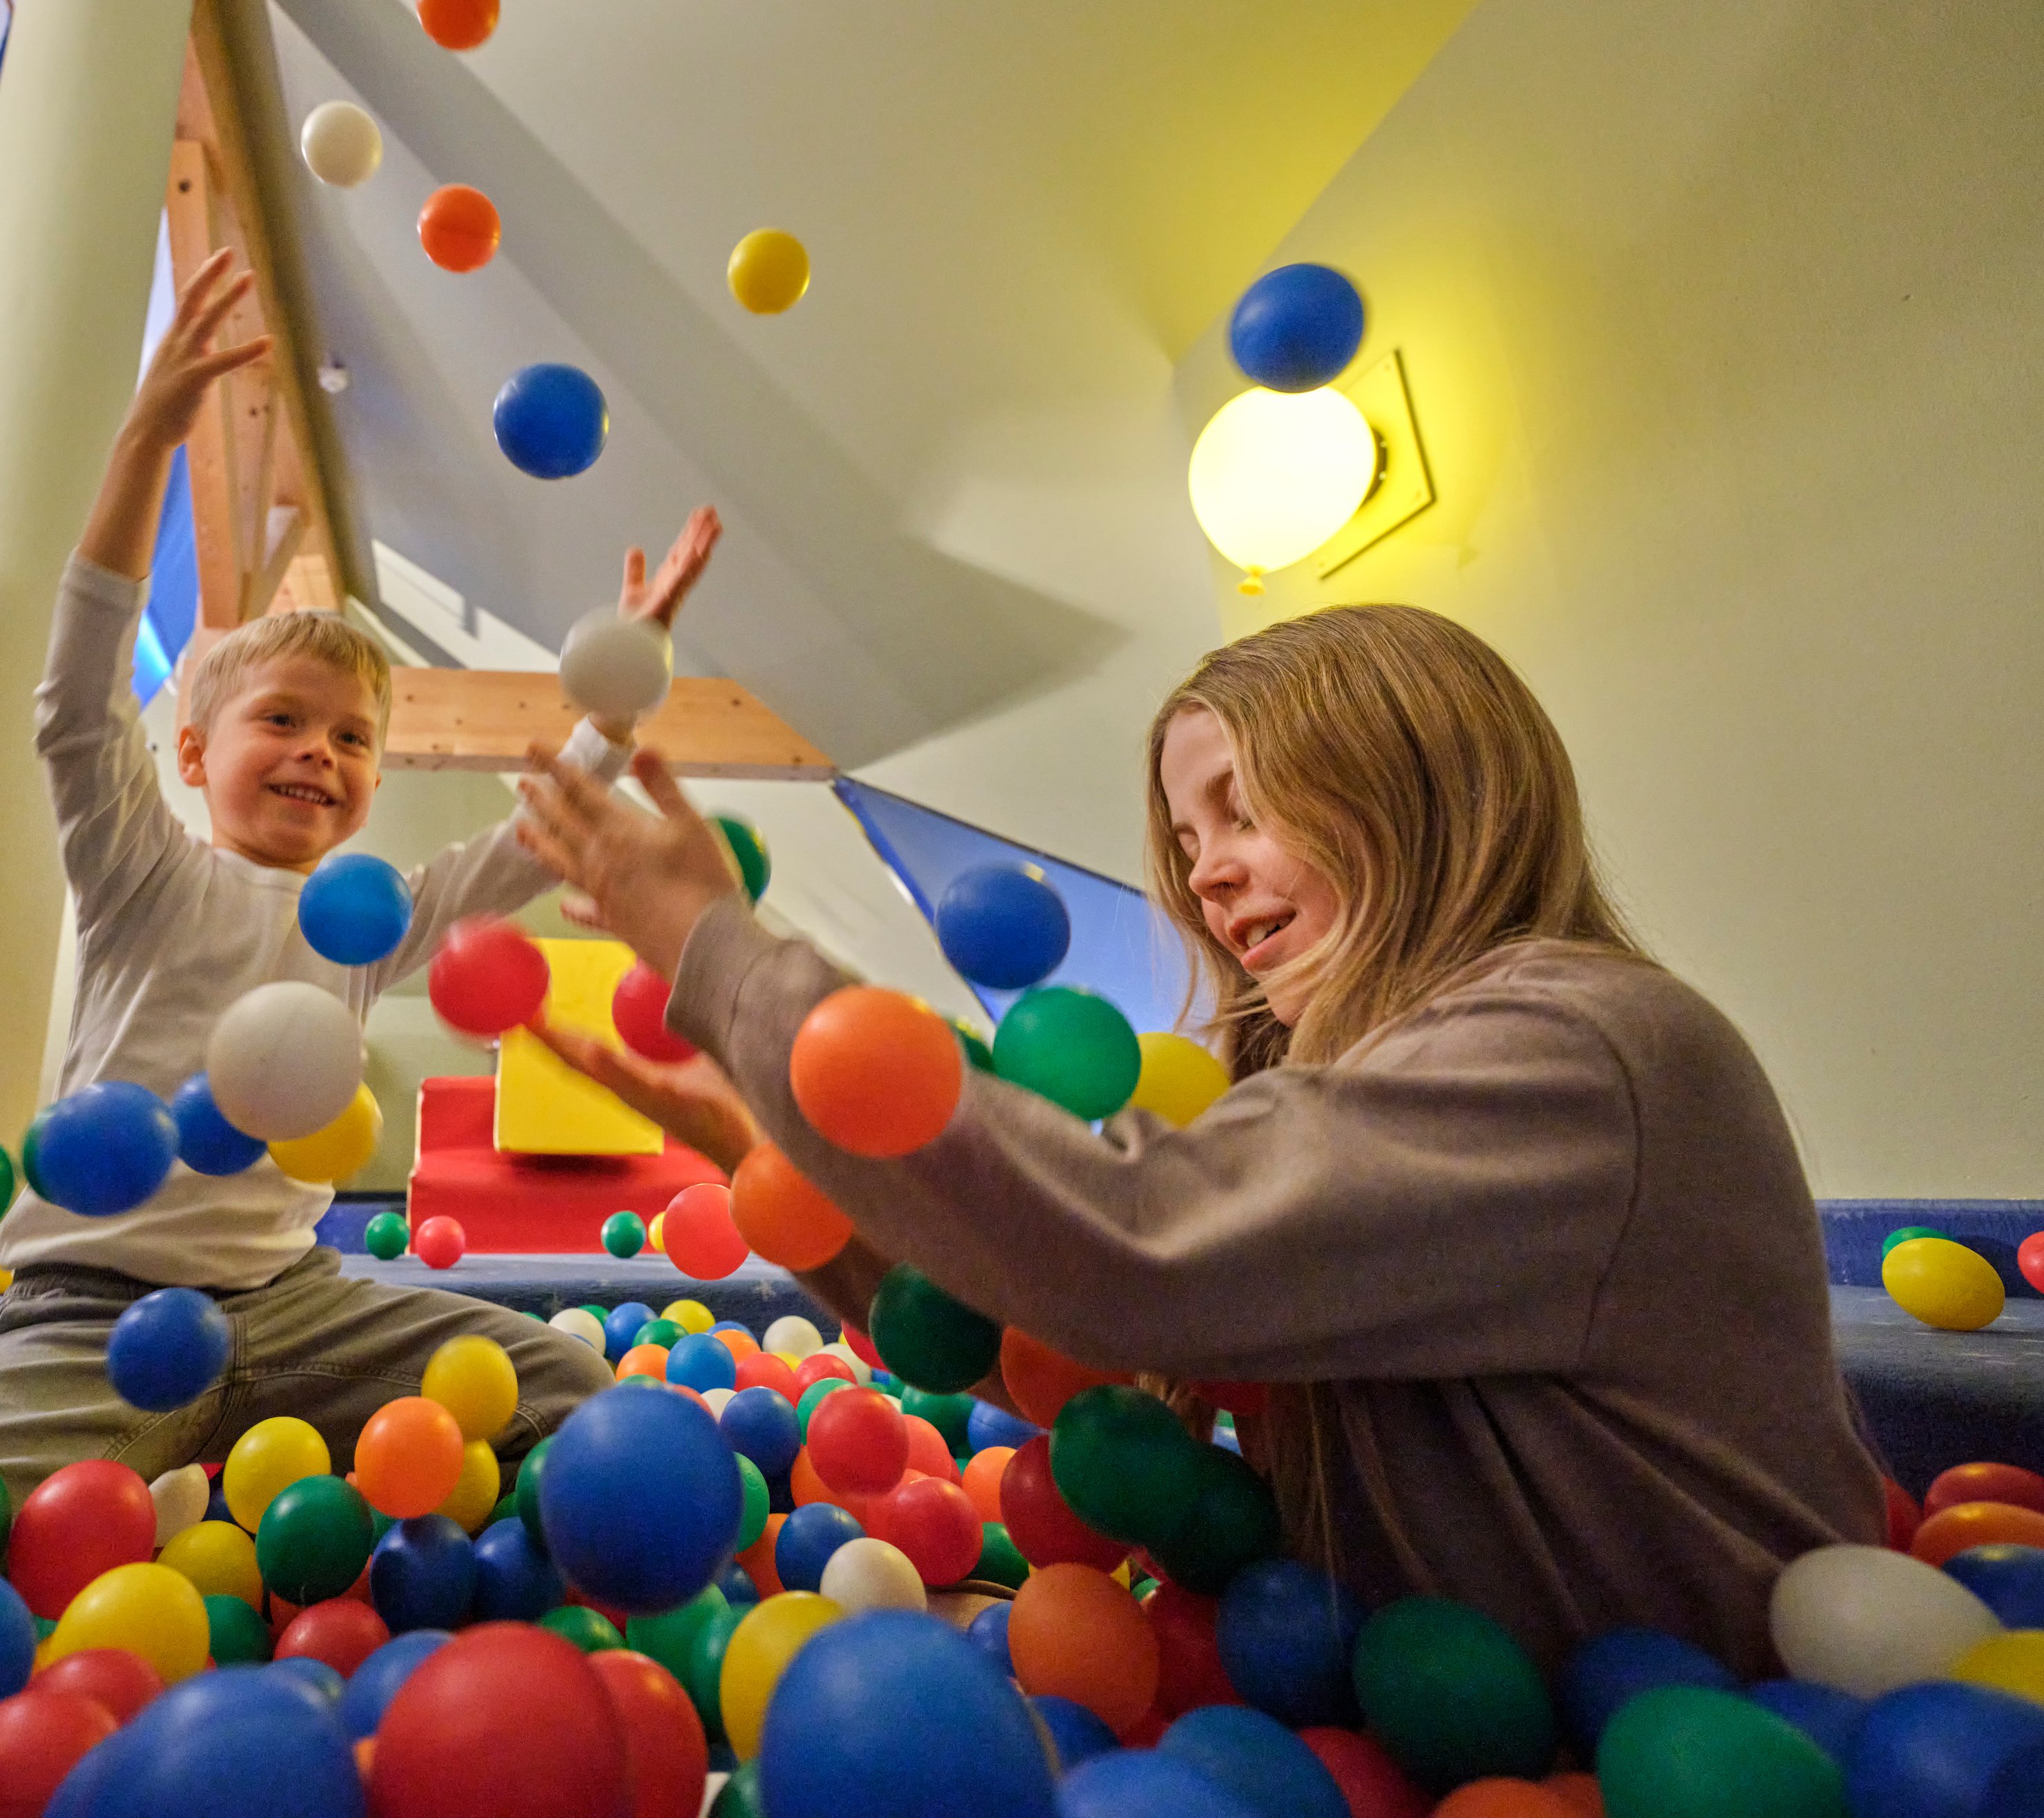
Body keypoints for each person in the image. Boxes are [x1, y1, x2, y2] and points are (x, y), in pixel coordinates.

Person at [517, 601, 1878, 1673]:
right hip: (1471, 1716)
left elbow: (1132, 1253)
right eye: (1185, 833)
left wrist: (725, 957)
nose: (1206, 873)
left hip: (1688, 1735)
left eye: (1243, 805)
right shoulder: (1399, 1085)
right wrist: (790, 1172)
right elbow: (1095, 1357)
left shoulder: (1576, 1049)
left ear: (1416, 780)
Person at [0, 251, 720, 1517]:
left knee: (572, 1381)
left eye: (353, 738)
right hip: (100, 1317)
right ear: (193, 755)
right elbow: (79, 703)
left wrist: (622, 694)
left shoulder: (366, 919)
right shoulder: (143, 867)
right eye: (283, 722)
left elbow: (533, 842)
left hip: (296, 1308)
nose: (321, 751)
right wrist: (148, 434)